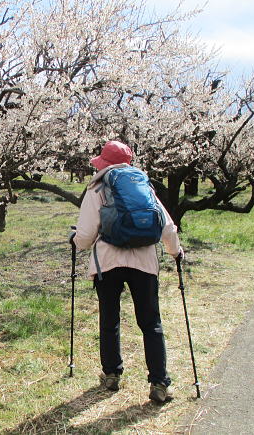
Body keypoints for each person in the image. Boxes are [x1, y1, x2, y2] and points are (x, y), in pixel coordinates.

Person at [70, 140, 183, 403]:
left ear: (104, 163)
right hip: (144, 263)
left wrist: (75, 240)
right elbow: (167, 226)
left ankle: (111, 375)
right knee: (151, 323)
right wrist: (176, 252)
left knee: (110, 320)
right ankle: (159, 383)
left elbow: (85, 236)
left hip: (107, 263)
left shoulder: (97, 186)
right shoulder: (144, 185)